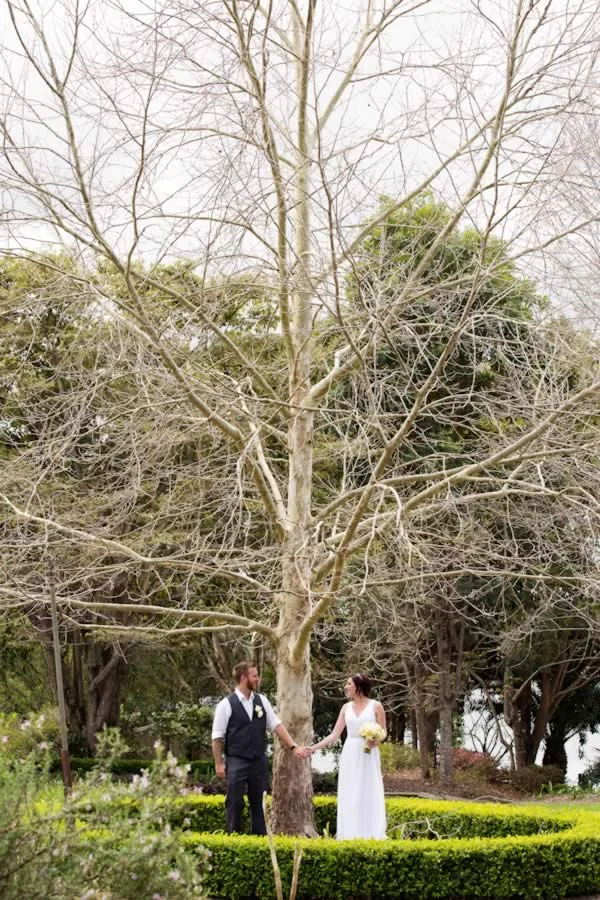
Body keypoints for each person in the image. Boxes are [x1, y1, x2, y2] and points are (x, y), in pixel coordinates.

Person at [211, 660, 305, 835]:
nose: (258, 679)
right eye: (254, 676)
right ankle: (233, 837)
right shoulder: (226, 705)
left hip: (258, 761)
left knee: (259, 802)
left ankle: (260, 839)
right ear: (243, 677)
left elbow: (276, 725)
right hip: (236, 760)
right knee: (235, 801)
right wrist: (219, 764)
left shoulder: (262, 701)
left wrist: (293, 746)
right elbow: (217, 737)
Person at [307, 673, 387, 840]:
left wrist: (376, 739)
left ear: (358, 686)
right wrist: (313, 748)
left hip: (368, 753)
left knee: (368, 788)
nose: (345, 687)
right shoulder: (345, 708)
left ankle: (371, 832)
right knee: (350, 790)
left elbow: (384, 731)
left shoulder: (376, 706)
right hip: (350, 752)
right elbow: (334, 735)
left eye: (348, 684)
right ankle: (350, 832)